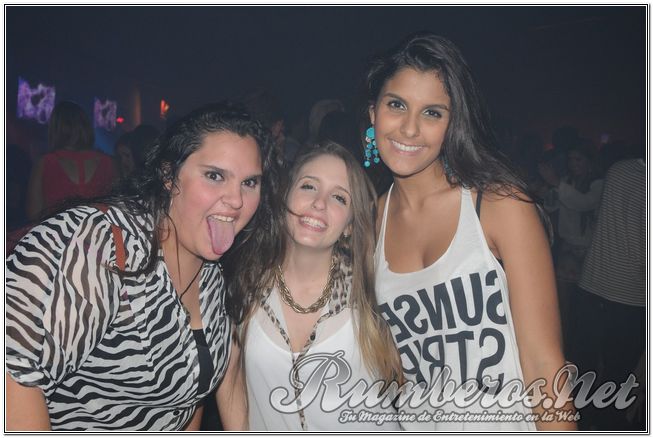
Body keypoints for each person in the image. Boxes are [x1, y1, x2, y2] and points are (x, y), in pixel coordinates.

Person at [6, 102, 278, 431]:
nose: (236, 200)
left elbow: (189, 397)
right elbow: (13, 366)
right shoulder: (98, 242)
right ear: (168, 176)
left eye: (250, 182)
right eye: (214, 176)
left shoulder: (213, 274)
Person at [364, 32, 575, 431]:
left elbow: (544, 364)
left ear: (452, 124)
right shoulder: (367, 224)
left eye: (432, 113)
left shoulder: (499, 205)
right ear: (373, 113)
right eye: (397, 105)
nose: (409, 129)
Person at [222, 142, 403, 431]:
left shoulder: (371, 289)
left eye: (339, 198)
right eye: (308, 186)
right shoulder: (244, 285)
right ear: (285, 196)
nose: (319, 203)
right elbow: (230, 383)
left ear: (349, 225)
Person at [26, 101, 115, 221]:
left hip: (57, 232)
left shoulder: (45, 163)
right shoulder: (108, 162)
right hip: (98, 232)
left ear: (55, 129)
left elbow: (34, 216)